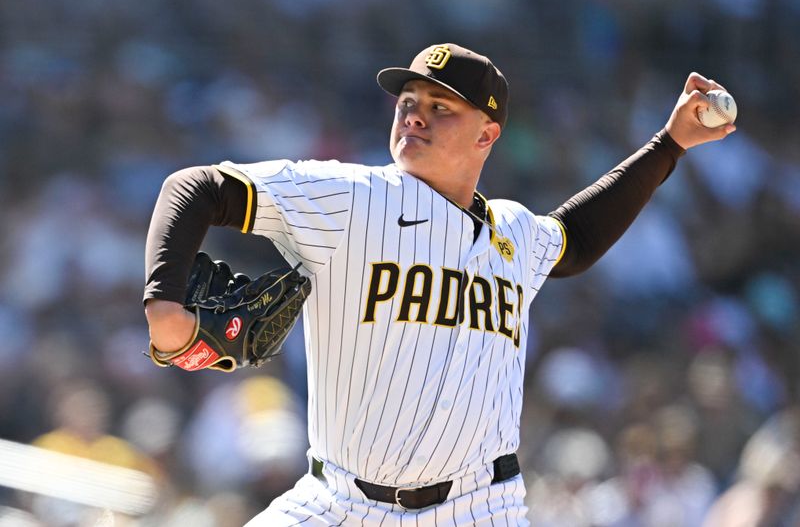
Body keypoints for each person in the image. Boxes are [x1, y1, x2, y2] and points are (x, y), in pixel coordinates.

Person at [143, 43, 735, 525]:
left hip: (480, 508)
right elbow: (195, 187)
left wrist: (670, 144)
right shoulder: (351, 198)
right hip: (339, 503)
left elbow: (575, 239)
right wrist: (164, 306)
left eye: (441, 106)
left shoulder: (514, 233)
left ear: (488, 134)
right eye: (408, 101)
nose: (415, 114)